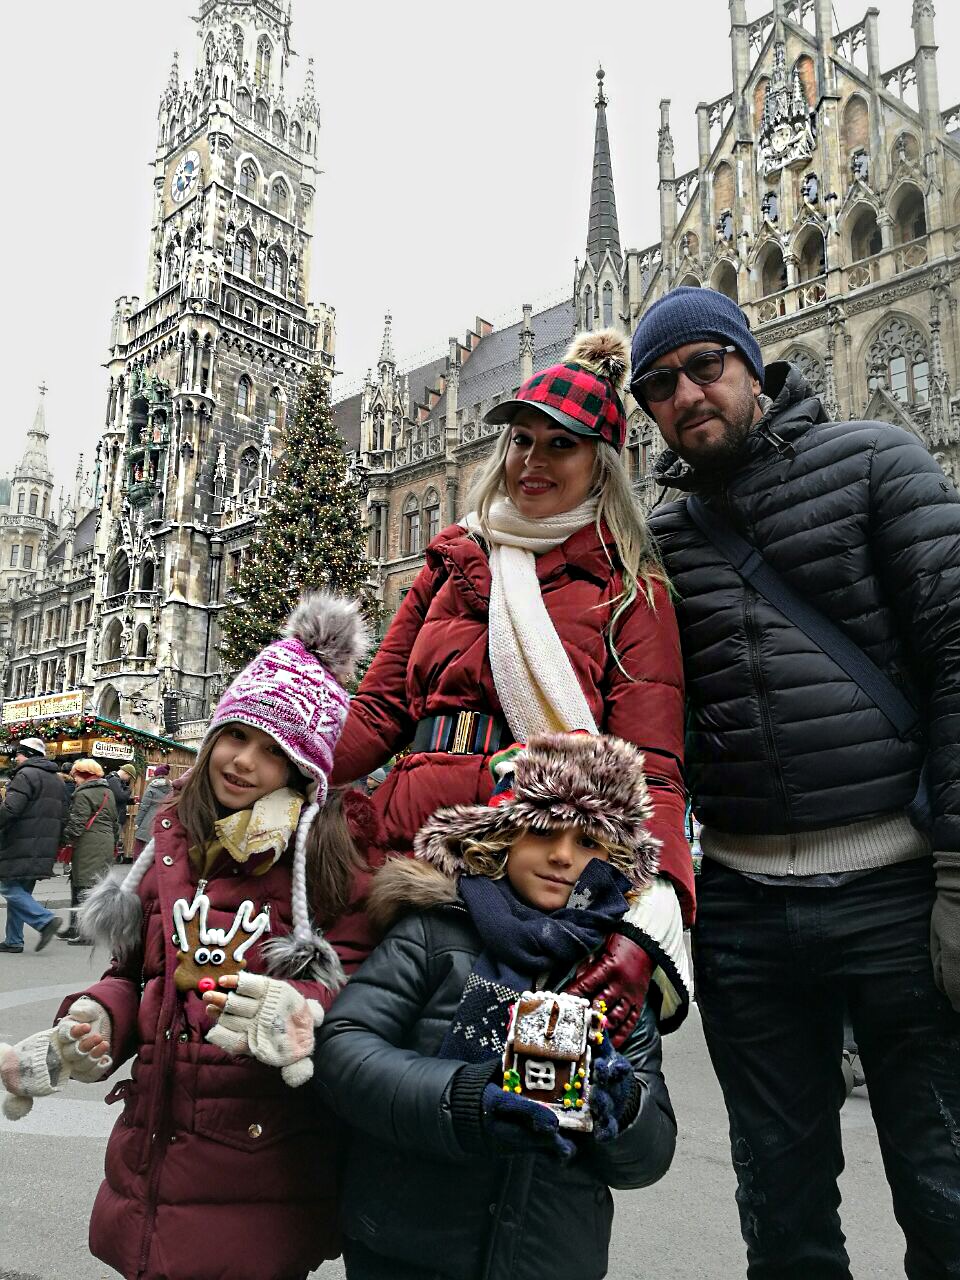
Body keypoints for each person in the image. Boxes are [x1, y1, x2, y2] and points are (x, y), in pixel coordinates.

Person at [632, 284, 960, 1277]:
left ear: (751, 364)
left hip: (901, 896)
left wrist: (957, 873)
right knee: (781, 1215)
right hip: (747, 915)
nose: (687, 393)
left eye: (705, 365)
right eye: (659, 384)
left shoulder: (878, 461)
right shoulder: (662, 540)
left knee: (946, 1193)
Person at [0, 594, 383, 1280]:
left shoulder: (328, 855)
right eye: (236, 736)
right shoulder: (172, 844)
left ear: (303, 769)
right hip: (153, 1155)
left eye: (274, 751)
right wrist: (91, 1022)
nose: (244, 762)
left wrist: (300, 1008)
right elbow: (136, 975)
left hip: (261, 1168)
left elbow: (358, 974)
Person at [332, 329, 694, 1041]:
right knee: (354, 1059)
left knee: (492, 1073)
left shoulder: (631, 590)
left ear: (601, 463)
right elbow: (377, 711)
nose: (533, 460)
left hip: (530, 867)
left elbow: (652, 771)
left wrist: (653, 913)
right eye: (522, 440)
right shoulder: (452, 562)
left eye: (561, 444)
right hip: (405, 843)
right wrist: (270, 753)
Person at [317, 732, 679, 1280]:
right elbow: (344, 1052)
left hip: (546, 1259)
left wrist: (623, 1106)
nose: (562, 856)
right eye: (543, 830)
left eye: (588, 841)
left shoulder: (616, 972)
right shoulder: (434, 932)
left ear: (616, 858)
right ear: (501, 836)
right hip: (406, 1246)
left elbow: (649, 1156)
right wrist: (466, 1100)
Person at [0, 738, 64, 954]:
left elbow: (11, 809)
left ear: (27, 754)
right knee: (21, 890)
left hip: (19, 842)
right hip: (44, 844)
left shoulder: (25, 775)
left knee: (7, 887)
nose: (16, 758)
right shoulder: (56, 780)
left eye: (18, 754)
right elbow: (64, 814)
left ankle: (45, 920)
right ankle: (14, 940)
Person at [58, 760, 120, 945]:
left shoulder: (83, 794)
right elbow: (115, 822)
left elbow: (78, 823)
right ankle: (76, 927)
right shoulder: (108, 792)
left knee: (82, 887)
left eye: (76, 775)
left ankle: (84, 933)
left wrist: (63, 841)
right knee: (93, 886)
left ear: (84, 775)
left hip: (88, 843)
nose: (74, 779)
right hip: (105, 842)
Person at [133, 763, 172, 855]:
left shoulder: (152, 787)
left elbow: (144, 806)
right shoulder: (172, 788)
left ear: (156, 776)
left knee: (140, 847)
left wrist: (137, 822)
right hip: (164, 822)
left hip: (148, 821)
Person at [106, 763, 136, 859]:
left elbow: (118, 798)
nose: (128, 779)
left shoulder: (115, 780)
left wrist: (131, 801)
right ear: (126, 773)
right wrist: (128, 790)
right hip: (115, 817)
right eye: (129, 777)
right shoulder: (114, 780)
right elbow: (120, 797)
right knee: (111, 842)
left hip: (116, 816)